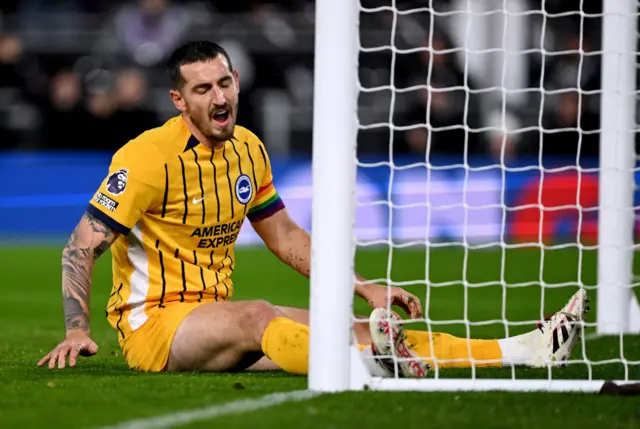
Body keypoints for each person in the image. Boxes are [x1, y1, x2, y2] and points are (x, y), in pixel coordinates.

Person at [38, 41, 589, 377]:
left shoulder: (249, 149)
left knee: (360, 327)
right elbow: (80, 245)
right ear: (179, 101)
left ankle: (522, 349)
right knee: (260, 316)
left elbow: (286, 238)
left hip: (215, 315)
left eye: (224, 82)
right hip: (155, 325)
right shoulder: (146, 158)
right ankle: (371, 370)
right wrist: (75, 328)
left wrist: (362, 285)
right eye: (202, 89)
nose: (219, 97)